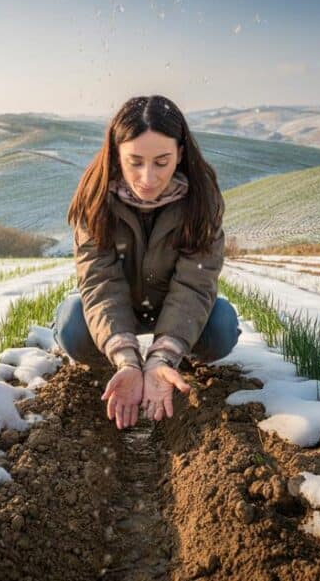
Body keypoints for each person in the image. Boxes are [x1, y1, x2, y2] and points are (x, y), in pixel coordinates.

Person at [53, 94, 241, 430]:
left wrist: (162, 356)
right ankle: (118, 361)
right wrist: (127, 360)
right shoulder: (95, 201)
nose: (148, 177)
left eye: (161, 162)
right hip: (120, 307)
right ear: (116, 154)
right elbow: (100, 282)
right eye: (135, 162)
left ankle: (173, 356)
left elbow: (194, 284)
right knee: (72, 326)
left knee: (222, 327)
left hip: (171, 305)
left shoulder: (202, 203)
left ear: (180, 154)